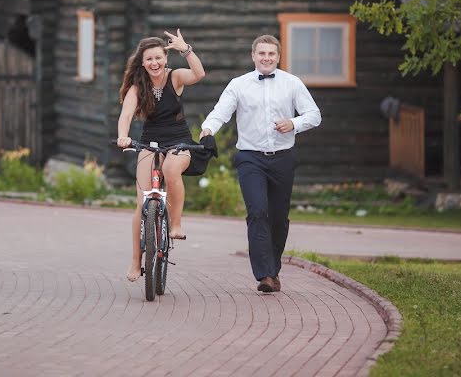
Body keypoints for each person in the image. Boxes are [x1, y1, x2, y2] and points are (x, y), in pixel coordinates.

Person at [200, 35, 321, 293]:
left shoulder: (292, 83)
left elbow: (314, 115)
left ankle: (274, 269)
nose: (266, 58)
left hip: (283, 158)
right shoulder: (239, 85)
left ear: (278, 57)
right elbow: (221, 111)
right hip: (250, 158)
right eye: (262, 53)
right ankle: (264, 275)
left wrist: (294, 123)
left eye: (271, 54)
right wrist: (207, 129)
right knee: (257, 212)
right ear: (253, 56)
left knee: (278, 218)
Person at [117, 30, 206, 282]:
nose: (154, 63)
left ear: (165, 59)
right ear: (142, 63)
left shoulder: (175, 77)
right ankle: (136, 261)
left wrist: (185, 49)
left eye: (158, 58)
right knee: (142, 203)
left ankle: (175, 224)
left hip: (179, 141)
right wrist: (123, 136)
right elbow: (125, 115)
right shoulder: (138, 87)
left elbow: (198, 74)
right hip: (150, 142)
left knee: (170, 170)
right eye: (149, 59)